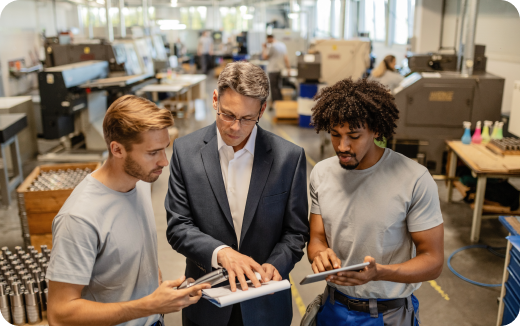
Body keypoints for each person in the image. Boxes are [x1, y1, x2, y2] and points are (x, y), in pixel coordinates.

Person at [165, 62, 309, 326]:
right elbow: (178, 227)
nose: (235, 127)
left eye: (247, 119)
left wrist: (276, 264)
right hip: (206, 304)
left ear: (262, 110)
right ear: (215, 100)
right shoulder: (185, 152)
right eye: (227, 115)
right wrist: (220, 253)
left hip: (265, 305)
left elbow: (296, 232)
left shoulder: (289, 157)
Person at [46, 95, 210, 326]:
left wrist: (155, 286)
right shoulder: (79, 218)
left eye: (165, 149)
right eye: (153, 152)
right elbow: (60, 314)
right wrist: (149, 305)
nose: (164, 161)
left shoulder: (139, 182)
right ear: (117, 149)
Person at [307, 78, 444, 326]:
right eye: (336, 135)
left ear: (376, 130)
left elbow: (433, 261)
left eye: (354, 136)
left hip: (388, 315)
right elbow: (317, 238)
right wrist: (319, 255)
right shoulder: (321, 173)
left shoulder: (414, 179)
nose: (342, 146)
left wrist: (380, 272)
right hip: (334, 308)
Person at [261, 35, 290, 110]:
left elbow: (265, 57)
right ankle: (280, 103)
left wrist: (264, 47)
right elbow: (286, 58)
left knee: (273, 88)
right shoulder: (282, 45)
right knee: (278, 87)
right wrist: (288, 69)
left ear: (269, 39)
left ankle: (276, 105)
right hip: (280, 70)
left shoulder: (272, 47)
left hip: (273, 70)